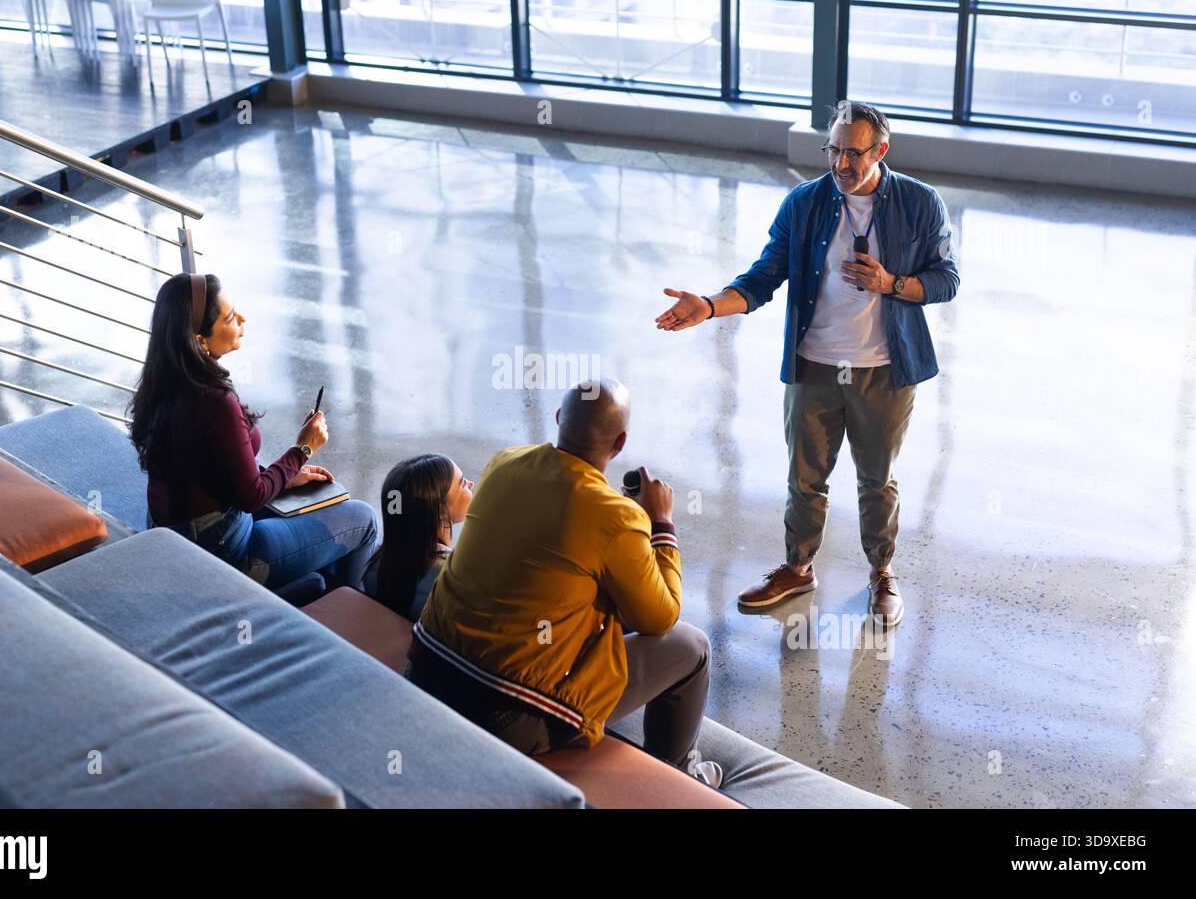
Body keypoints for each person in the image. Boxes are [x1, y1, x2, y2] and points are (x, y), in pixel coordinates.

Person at [655, 101, 960, 629]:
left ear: (881, 151)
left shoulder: (919, 202)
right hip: (814, 365)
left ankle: (881, 574)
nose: (841, 164)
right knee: (804, 479)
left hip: (884, 369)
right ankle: (798, 568)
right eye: (834, 151)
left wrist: (890, 284)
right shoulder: (804, 203)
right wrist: (708, 305)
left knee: (877, 480)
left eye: (854, 153)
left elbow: (947, 279)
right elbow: (764, 277)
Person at [407, 379, 721, 786]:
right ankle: (676, 778)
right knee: (692, 647)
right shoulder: (617, 518)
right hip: (509, 716)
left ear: (559, 418)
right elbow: (659, 619)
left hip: (427, 668)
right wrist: (661, 526)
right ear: (620, 442)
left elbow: (558, 524)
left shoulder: (504, 462)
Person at [129, 272, 378, 598]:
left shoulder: (164, 382)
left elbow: (205, 466)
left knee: (317, 505)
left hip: (176, 533)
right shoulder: (214, 401)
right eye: (231, 317)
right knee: (363, 519)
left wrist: (285, 475)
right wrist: (303, 449)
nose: (242, 319)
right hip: (222, 550)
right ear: (200, 339)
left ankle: (316, 590)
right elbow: (251, 496)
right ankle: (343, 612)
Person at [362, 454, 474, 622]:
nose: (471, 484)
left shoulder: (375, 566)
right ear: (441, 511)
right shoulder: (453, 578)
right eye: (463, 483)